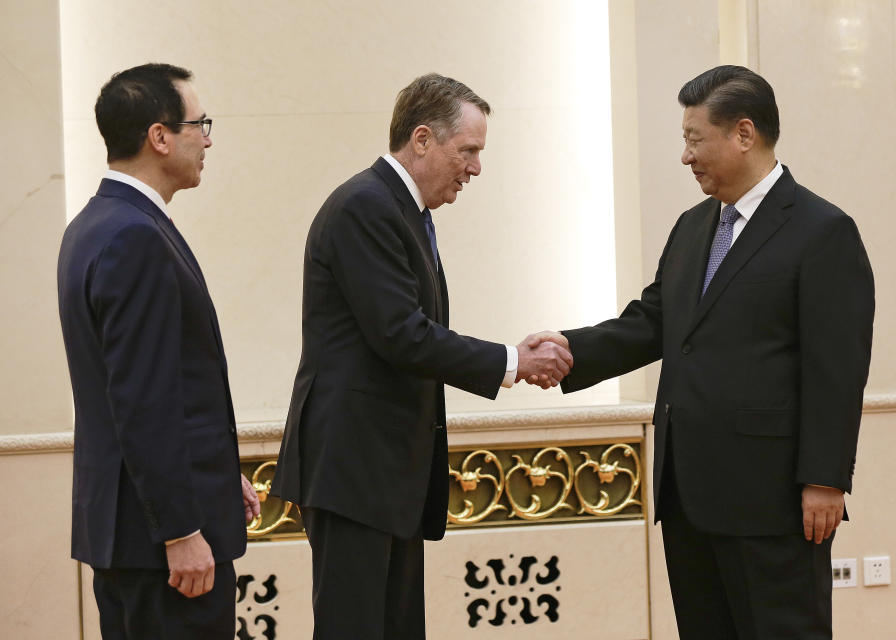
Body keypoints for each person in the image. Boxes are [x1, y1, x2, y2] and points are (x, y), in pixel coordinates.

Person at [531, 65, 875, 638]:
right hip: (688, 491)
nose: (686, 157)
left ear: (744, 133)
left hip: (772, 497)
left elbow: (836, 369)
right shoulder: (693, 228)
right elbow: (653, 323)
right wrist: (572, 350)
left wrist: (825, 478)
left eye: (694, 140)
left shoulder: (822, 231)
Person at [270, 72, 573, 639]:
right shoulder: (366, 206)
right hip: (354, 469)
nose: (476, 168)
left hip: (384, 474)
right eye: (469, 151)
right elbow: (401, 335)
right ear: (424, 138)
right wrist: (512, 361)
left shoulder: (405, 212)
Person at [57, 63, 260, 640]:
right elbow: (142, 399)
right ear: (160, 135)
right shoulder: (135, 236)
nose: (209, 138)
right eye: (201, 123)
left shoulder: (93, 225)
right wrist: (179, 529)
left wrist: (217, 476)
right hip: (161, 548)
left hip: (125, 531)